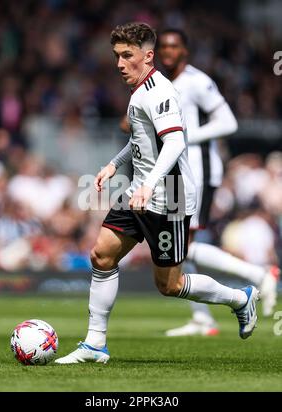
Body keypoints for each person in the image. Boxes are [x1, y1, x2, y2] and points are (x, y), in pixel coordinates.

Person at [55, 22, 259, 365]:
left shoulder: (160, 92)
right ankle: (94, 345)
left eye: (127, 56)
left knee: (170, 285)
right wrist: (113, 165)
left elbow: (176, 142)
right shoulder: (139, 90)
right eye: (116, 56)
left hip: (170, 198)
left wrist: (150, 184)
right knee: (102, 255)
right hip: (140, 191)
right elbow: (140, 140)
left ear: (148, 56)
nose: (119, 63)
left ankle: (240, 298)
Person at [156, 29, 279, 336]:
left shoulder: (198, 81)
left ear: (185, 50)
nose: (169, 51)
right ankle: (205, 316)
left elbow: (229, 122)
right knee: (176, 245)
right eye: (164, 47)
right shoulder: (160, 83)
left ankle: (256, 276)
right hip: (173, 172)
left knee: (181, 244)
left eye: (175, 46)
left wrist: (184, 136)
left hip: (197, 170)